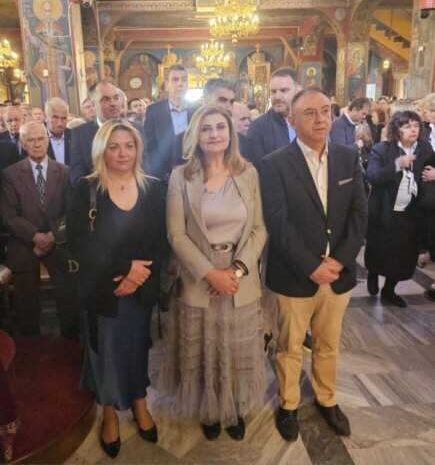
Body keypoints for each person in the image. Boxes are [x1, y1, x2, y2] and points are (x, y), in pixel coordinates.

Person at [260, 89, 367, 441]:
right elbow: (278, 223)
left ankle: (326, 398)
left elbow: (358, 215)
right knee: (290, 345)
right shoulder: (275, 163)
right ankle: (288, 404)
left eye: (325, 110)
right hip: (294, 274)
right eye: (309, 113)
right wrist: (311, 266)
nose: (320, 119)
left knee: (328, 343)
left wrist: (338, 260)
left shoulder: (348, 157)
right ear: (292, 121)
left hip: (338, 273)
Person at [160, 105, 267, 441]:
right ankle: (209, 409)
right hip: (198, 277)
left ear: (230, 134)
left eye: (220, 127)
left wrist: (237, 269)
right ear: (195, 135)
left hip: (239, 277)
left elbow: (260, 229)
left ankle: (232, 407)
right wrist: (210, 273)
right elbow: (175, 234)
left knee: (235, 347)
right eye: (206, 129)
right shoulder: (181, 176)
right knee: (205, 349)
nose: (214, 134)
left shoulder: (248, 173)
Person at [67, 120, 167, 459]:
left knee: (137, 348)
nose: (123, 153)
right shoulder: (86, 189)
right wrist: (125, 269)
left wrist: (138, 276)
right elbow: (80, 243)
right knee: (105, 352)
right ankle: (109, 412)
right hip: (102, 290)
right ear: (101, 151)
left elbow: (160, 240)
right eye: (114, 146)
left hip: (140, 289)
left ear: (138, 149)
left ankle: (139, 402)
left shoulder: (152, 188)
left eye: (129, 145)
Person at [1, 121, 78, 338]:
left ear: (47, 140)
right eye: (31, 140)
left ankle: (71, 340)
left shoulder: (64, 172)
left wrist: (51, 236)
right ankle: (29, 343)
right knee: (25, 304)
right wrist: (35, 236)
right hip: (24, 243)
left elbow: (70, 211)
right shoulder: (10, 174)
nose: (37, 144)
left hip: (58, 241)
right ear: (23, 143)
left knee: (69, 295)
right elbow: (8, 215)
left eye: (41, 139)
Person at [365, 111, 433, 306]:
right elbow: (372, 176)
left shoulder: (425, 148)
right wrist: (396, 165)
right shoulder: (382, 149)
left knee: (403, 253)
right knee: (379, 248)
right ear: (396, 129)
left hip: (411, 211)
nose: (413, 129)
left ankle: (389, 290)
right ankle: (373, 273)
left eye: (416, 126)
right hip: (384, 210)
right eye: (407, 126)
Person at [70, 81, 147, 183]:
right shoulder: (80, 134)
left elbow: (144, 170)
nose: (113, 103)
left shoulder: (137, 130)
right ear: (93, 104)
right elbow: (78, 178)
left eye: (116, 98)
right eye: (105, 99)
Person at [144, 65, 197, 181]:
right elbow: (151, 147)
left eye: (184, 79)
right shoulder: (154, 111)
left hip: (195, 173)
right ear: (166, 85)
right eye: (175, 79)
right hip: (164, 177)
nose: (180, 84)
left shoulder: (198, 109)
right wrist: (162, 174)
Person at [247, 67, 298, 172]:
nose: (277, 96)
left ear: (296, 92)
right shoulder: (258, 127)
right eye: (273, 91)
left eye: (284, 90)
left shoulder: (307, 123)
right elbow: (257, 170)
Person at [45, 97, 71, 165]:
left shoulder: (75, 137)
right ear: (46, 117)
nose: (59, 123)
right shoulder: (38, 138)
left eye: (63, 118)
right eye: (55, 117)